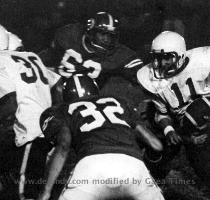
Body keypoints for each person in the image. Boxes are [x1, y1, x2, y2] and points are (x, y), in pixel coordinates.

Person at [37, 74, 164, 200]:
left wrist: (46, 191)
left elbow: (63, 146)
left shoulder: (62, 110)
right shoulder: (119, 101)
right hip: (132, 165)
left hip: (91, 167)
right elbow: (156, 145)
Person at [137, 31, 210, 185]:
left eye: (167, 57)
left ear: (180, 55)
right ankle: (150, 179)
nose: (162, 63)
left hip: (203, 116)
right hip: (187, 126)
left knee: (198, 110)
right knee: (204, 171)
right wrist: (169, 130)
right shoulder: (154, 80)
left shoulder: (203, 61)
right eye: (159, 58)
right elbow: (161, 113)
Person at [0, 25, 62, 199]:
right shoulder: (31, 56)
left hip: (29, 134)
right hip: (47, 131)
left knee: (25, 194)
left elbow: (10, 104)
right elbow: (56, 86)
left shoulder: (2, 60)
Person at [39, 11, 143, 88]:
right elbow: (44, 58)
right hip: (59, 89)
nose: (107, 40)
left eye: (110, 36)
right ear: (91, 32)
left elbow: (139, 70)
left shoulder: (117, 52)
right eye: (102, 34)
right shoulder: (69, 37)